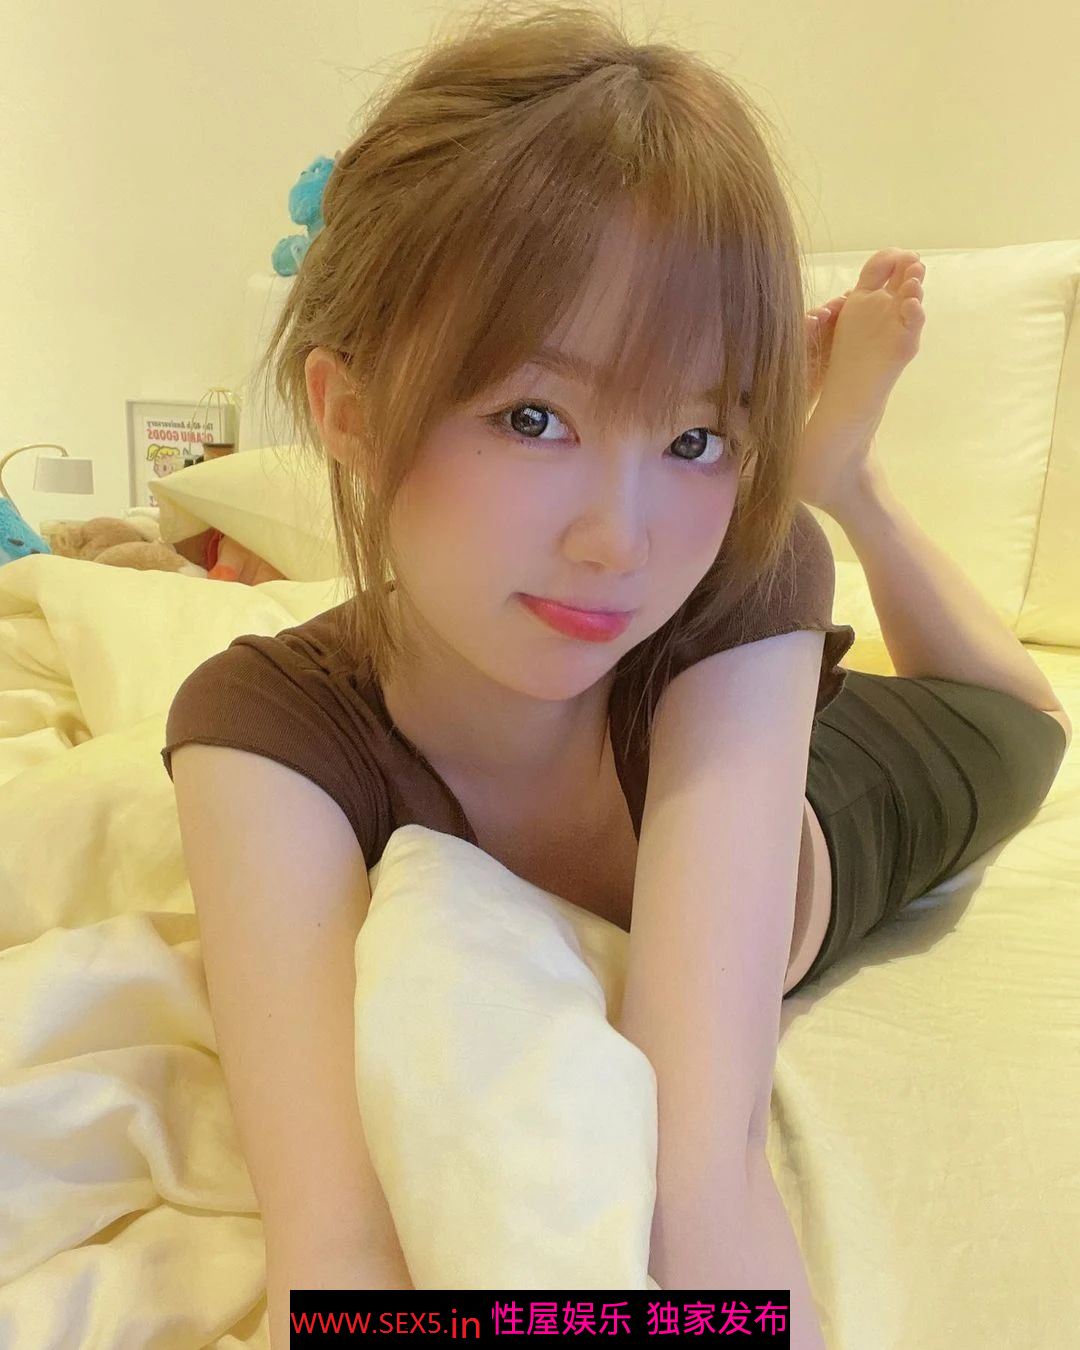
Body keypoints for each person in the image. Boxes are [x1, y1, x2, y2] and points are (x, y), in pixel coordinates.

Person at [161, 4, 1070, 1341]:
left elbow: (701, 1196)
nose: (621, 543)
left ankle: (846, 483)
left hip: (857, 755)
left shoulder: (737, 575)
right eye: (535, 417)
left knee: (1033, 716)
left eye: (699, 438)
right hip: (736, 712)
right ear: (347, 410)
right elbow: (336, 1256)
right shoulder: (262, 730)